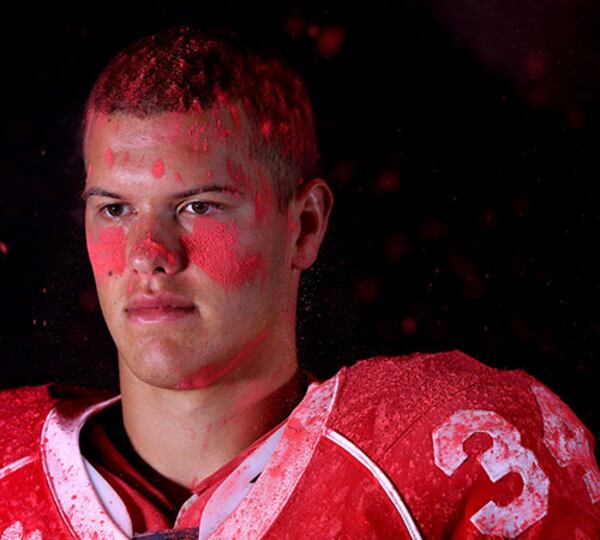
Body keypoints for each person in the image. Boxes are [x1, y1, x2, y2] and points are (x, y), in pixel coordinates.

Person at [0, 25, 598, 540]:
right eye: (114, 210)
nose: (149, 254)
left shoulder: (435, 459)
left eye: (199, 207)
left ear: (304, 225)